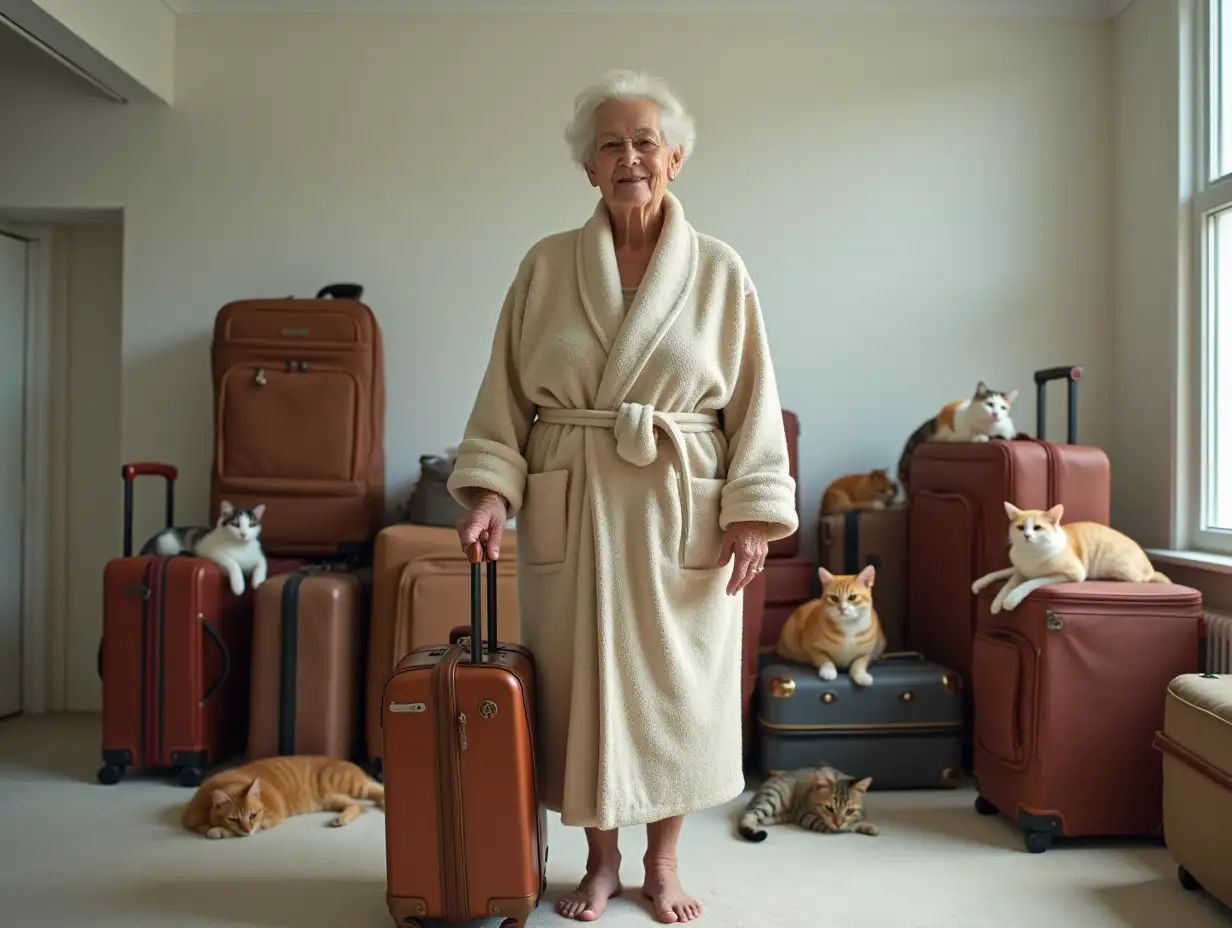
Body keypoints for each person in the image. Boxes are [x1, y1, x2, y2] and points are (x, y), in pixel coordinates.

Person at [448, 70, 798, 925]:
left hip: (683, 506)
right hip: (575, 502)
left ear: (675, 158)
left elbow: (751, 393)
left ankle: (665, 863)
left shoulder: (718, 270)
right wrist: (492, 490)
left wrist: (752, 510)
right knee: (578, 686)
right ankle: (600, 863)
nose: (629, 157)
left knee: (679, 690)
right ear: (588, 168)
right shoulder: (545, 264)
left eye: (645, 142)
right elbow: (505, 393)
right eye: (610, 143)